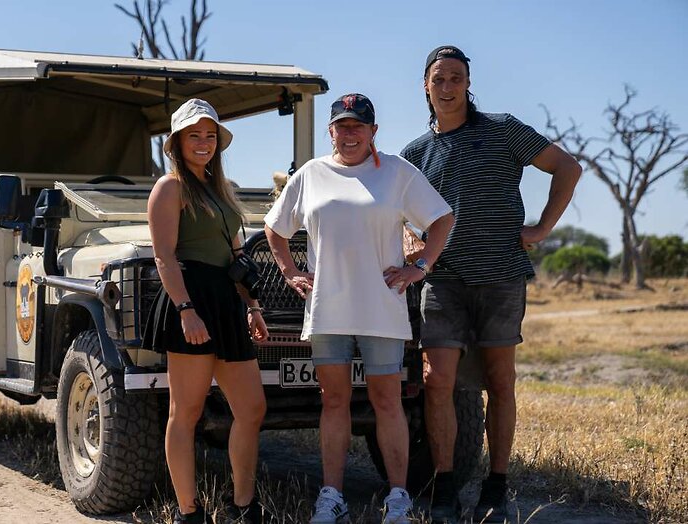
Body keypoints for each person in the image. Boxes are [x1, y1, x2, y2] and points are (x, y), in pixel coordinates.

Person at [401, 46, 582, 523]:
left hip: (500, 277)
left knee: (500, 382)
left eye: (456, 78)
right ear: (426, 85)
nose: (447, 86)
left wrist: (542, 228)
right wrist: (408, 239)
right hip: (442, 281)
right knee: (436, 382)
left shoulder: (501, 130)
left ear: (468, 83)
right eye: (438, 79)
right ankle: (444, 488)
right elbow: (403, 215)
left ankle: (495, 488)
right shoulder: (415, 154)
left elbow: (568, 167)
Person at [265, 93, 455, 524]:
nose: (349, 134)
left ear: (373, 132)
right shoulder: (311, 174)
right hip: (328, 309)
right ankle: (331, 497)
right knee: (333, 401)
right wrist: (291, 271)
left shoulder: (399, 173)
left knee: (387, 402)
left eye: (358, 126)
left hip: (381, 310)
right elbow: (275, 229)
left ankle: (399, 499)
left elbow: (442, 219)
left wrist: (419, 266)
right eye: (342, 126)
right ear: (330, 130)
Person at [143, 98, 270, 524]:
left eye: (210, 135)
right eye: (194, 135)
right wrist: (185, 310)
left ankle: (243, 507)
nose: (203, 143)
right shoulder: (170, 187)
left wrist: (252, 306)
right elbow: (163, 257)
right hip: (191, 297)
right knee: (187, 412)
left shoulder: (221, 190)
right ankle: (188, 513)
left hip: (226, 301)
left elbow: (237, 257)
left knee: (252, 408)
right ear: (177, 141)